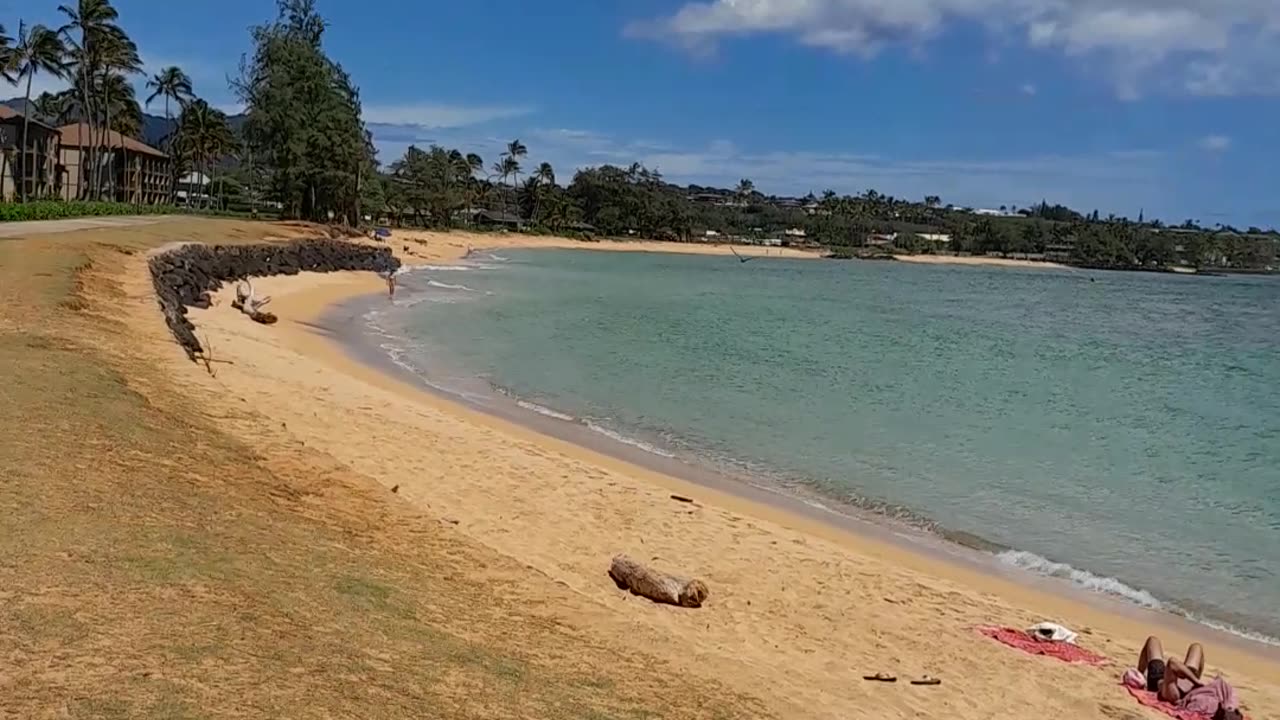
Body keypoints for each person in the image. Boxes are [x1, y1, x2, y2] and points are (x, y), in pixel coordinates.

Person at [1137, 636, 1242, 720]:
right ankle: (1139, 674)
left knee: (1152, 640)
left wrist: (1196, 682)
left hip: (1159, 677)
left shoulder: (1174, 695)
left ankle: (1138, 675)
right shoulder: (1207, 701)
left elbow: (1172, 663)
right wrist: (1196, 683)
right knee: (1197, 647)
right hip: (1186, 677)